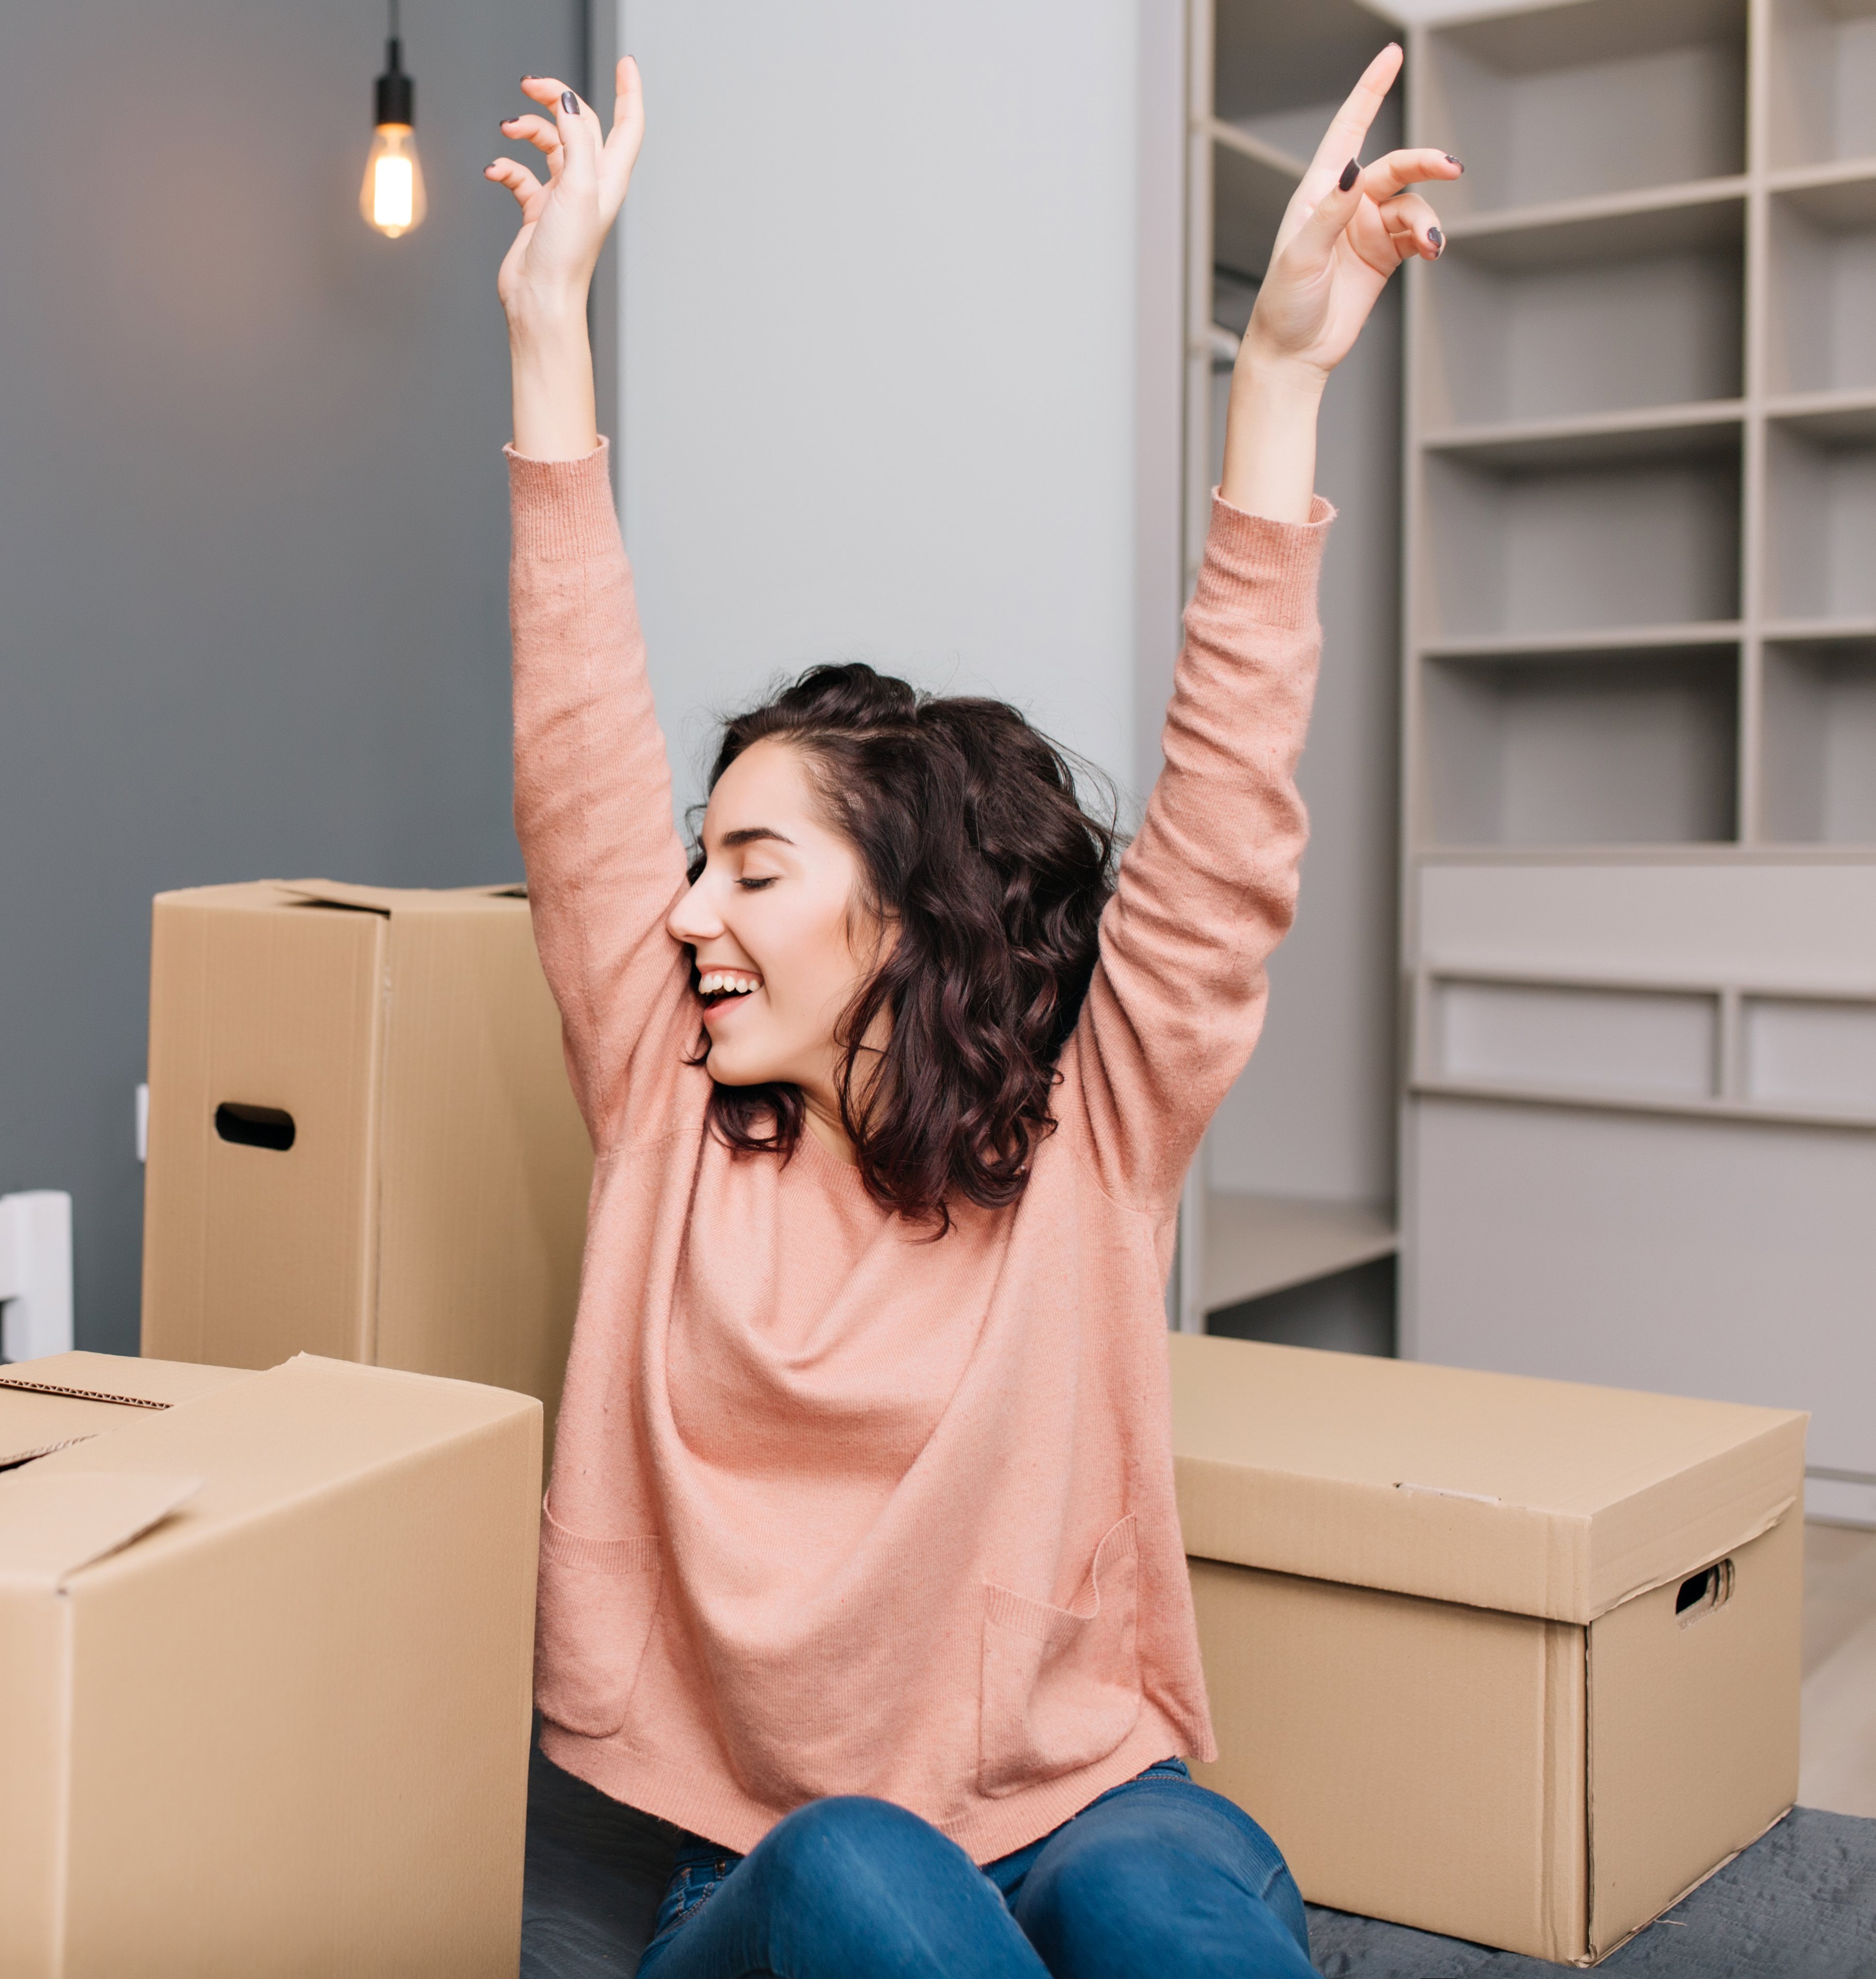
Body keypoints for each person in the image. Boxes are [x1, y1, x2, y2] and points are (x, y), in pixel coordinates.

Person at [484, 47, 1455, 1979]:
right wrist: (545, 330)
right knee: (863, 1871)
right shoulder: (669, 1115)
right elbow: (578, 739)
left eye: (754, 871)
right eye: (701, 861)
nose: (687, 913)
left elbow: (1217, 827)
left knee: (1157, 1895)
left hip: (1091, 1799)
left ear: (907, 920)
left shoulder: (1090, 1143)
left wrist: (1275, 383)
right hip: (770, 1866)